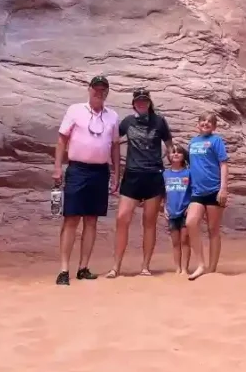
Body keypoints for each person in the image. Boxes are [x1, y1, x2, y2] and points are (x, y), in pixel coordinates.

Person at [53, 75, 120, 285]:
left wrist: (116, 172)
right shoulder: (75, 110)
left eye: (103, 89)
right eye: (96, 88)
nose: (99, 92)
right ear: (89, 89)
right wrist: (57, 167)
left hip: (100, 172)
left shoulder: (113, 116)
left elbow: (115, 146)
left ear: (107, 92)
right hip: (77, 170)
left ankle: (83, 267)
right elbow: (62, 139)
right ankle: (64, 270)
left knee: (92, 220)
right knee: (71, 218)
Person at [106, 87, 174, 278]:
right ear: (134, 104)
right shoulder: (127, 122)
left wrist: (175, 168)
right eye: (138, 101)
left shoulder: (159, 122)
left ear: (149, 102)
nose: (142, 103)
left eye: (145, 100)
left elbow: (169, 146)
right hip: (132, 176)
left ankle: (145, 266)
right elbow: (113, 141)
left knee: (149, 222)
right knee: (122, 218)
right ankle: (116, 266)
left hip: (153, 175)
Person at [185, 112, 229, 280]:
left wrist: (223, 188)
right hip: (197, 191)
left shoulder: (216, 141)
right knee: (191, 223)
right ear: (198, 124)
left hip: (214, 190)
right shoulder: (193, 142)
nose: (205, 123)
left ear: (214, 126)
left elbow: (223, 164)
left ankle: (212, 269)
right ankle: (201, 264)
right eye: (202, 120)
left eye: (210, 122)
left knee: (213, 230)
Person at [163, 144, 192, 274]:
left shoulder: (188, 173)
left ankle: (185, 268)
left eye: (179, 152)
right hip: (172, 211)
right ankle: (177, 268)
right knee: (175, 242)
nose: (175, 154)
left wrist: (191, 206)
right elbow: (163, 193)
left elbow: (194, 191)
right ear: (168, 156)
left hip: (185, 211)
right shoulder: (165, 174)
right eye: (173, 152)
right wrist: (164, 208)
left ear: (183, 156)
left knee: (185, 240)